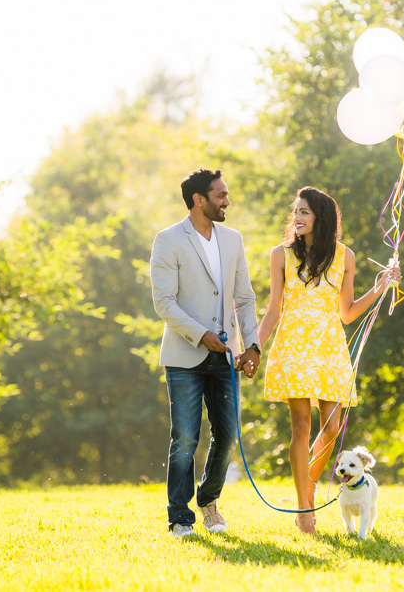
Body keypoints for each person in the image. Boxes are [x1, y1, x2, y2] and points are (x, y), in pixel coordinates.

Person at [257, 186, 401, 535]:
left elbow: (348, 313)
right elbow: (273, 310)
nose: (297, 217)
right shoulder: (281, 255)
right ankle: (304, 508)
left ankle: (308, 481)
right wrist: (253, 349)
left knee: (333, 429)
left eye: (304, 211)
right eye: (296, 212)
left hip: (330, 349)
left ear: (321, 217)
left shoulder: (344, 256)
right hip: (293, 347)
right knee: (301, 428)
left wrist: (380, 286)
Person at [150, 168, 262, 539]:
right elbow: (164, 303)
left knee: (228, 435)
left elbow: (244, 298)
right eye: (221, 195)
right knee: (185, 438)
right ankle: (180, 517)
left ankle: (208, 499)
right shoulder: (168, 240)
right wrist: (201, 335)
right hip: (185, 356)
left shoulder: (233, 239)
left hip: (227, 356)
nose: (227, 201)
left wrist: (253, 345)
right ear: (199, 199)